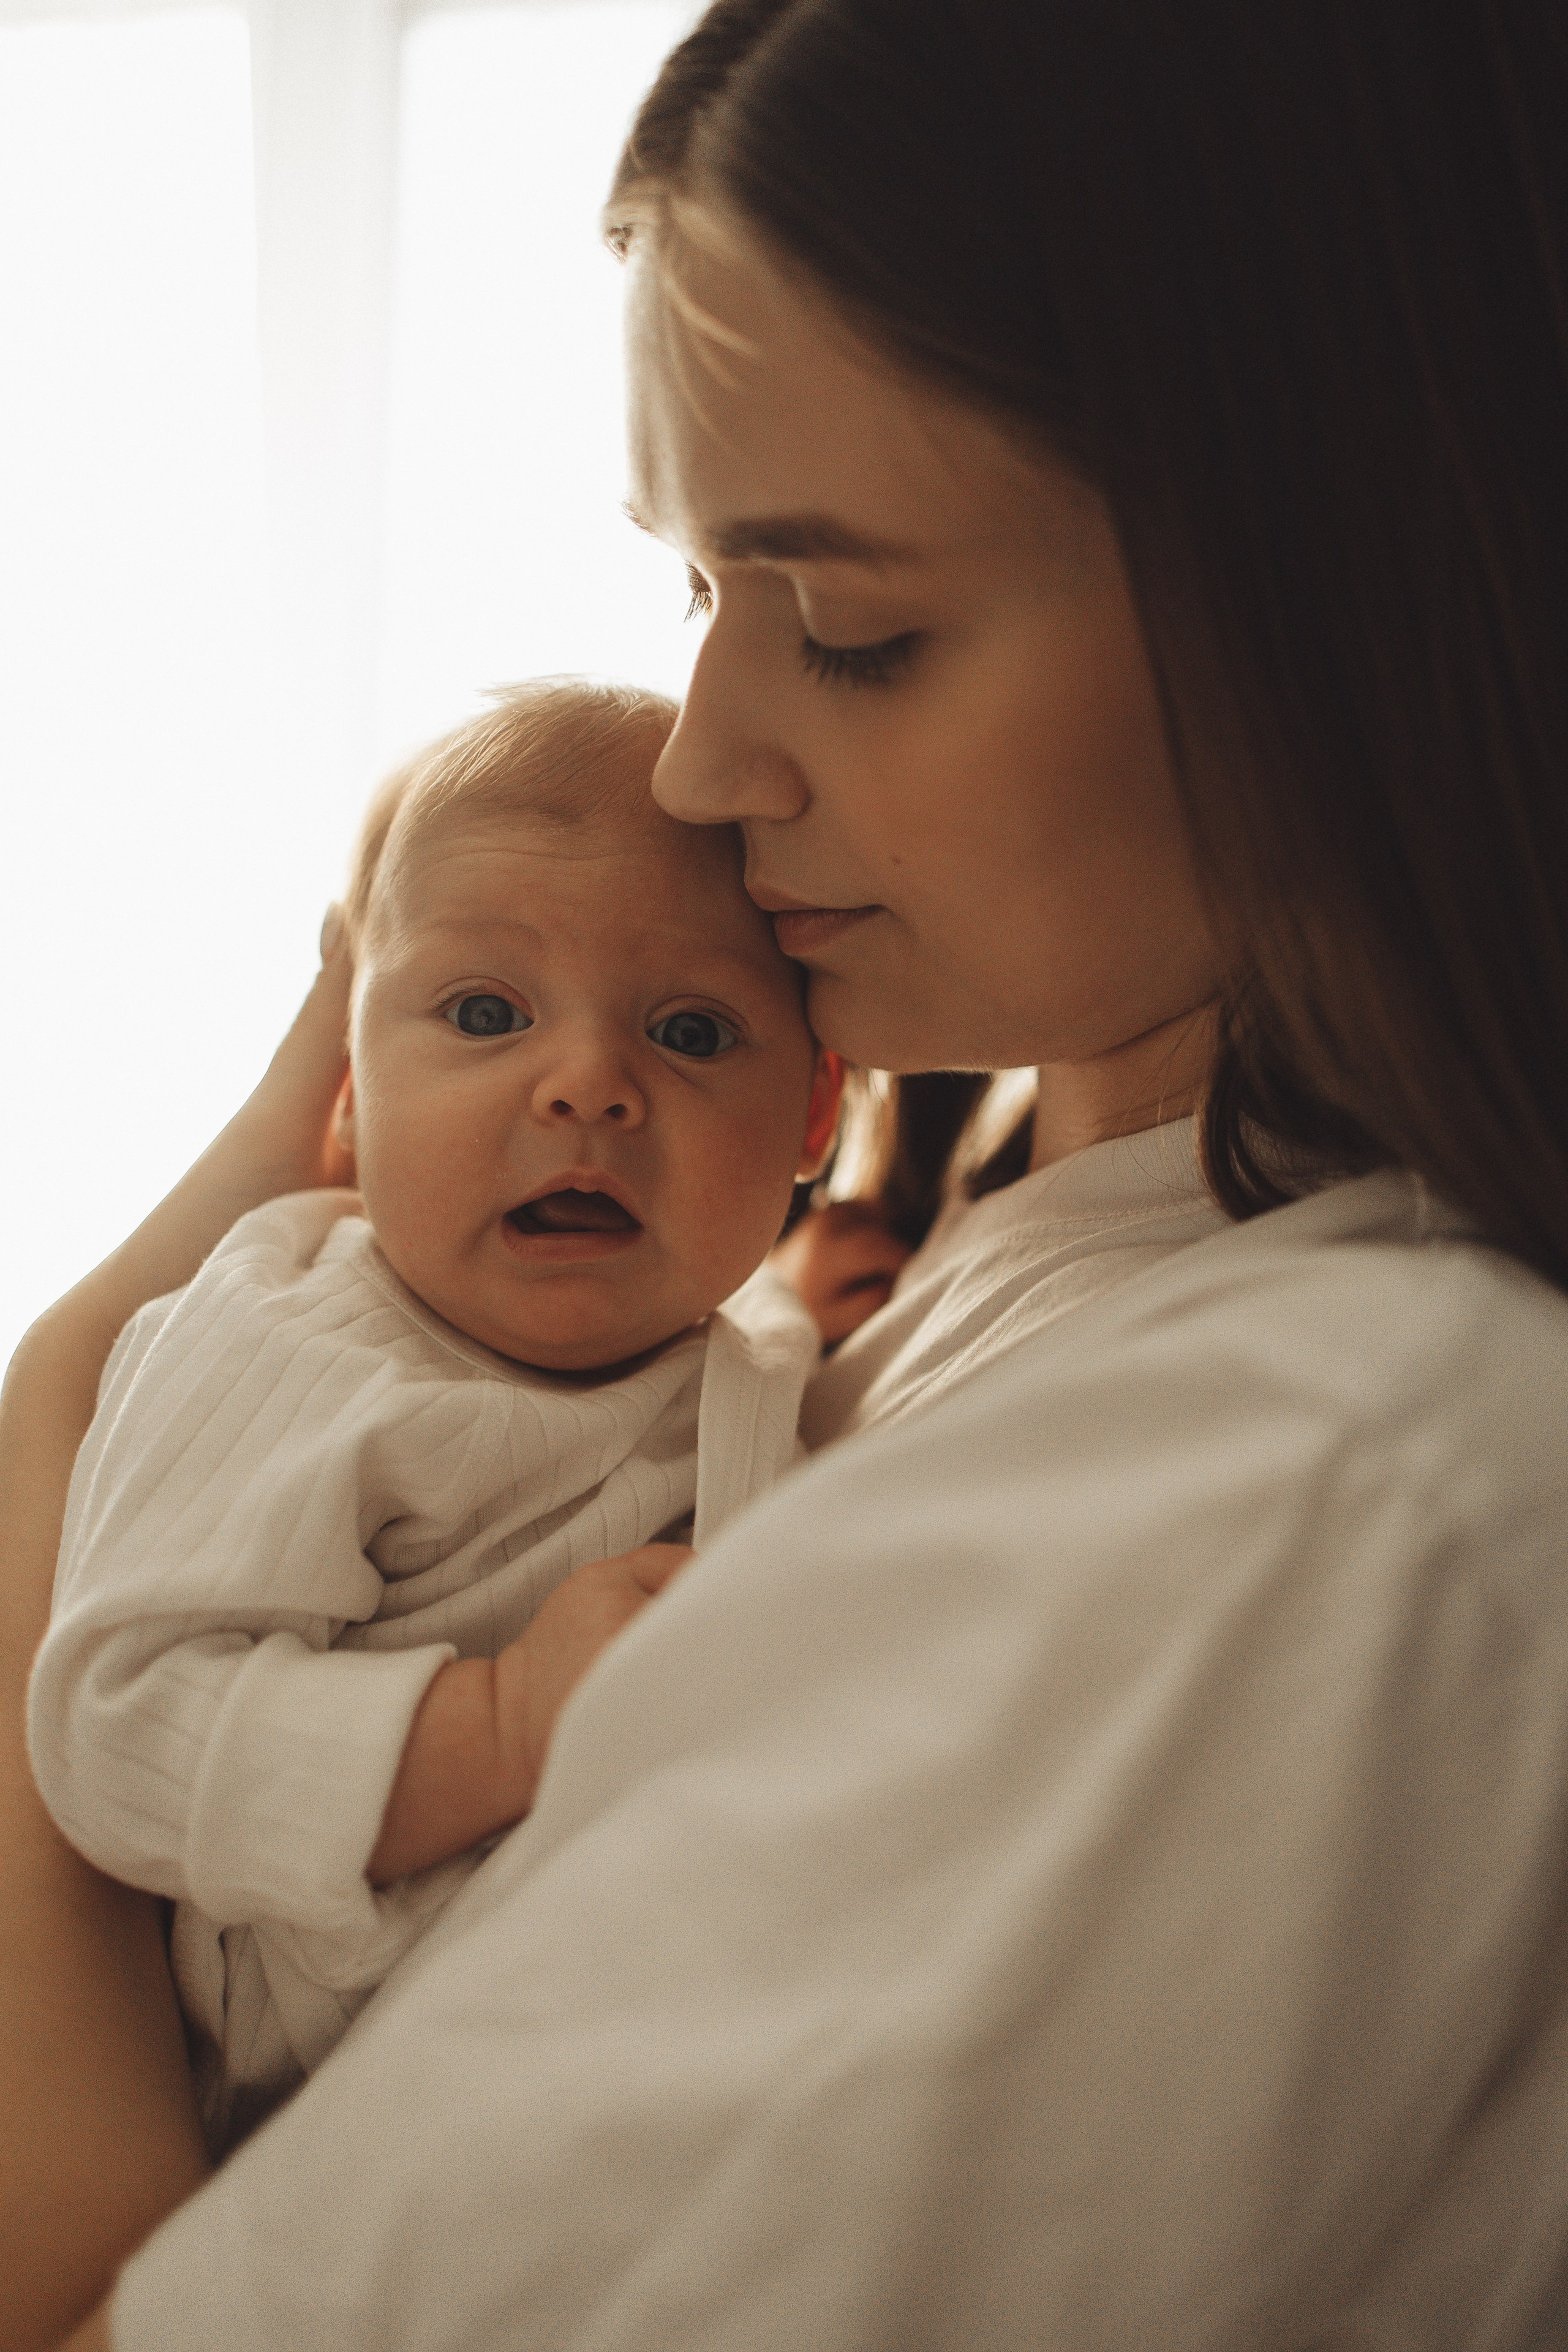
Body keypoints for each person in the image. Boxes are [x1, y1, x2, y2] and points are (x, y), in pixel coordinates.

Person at [6, 1, 1567, 2345]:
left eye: (851, 626)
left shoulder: (1303, 1489)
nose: (704, 762)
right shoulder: (1024, 1274)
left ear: (1337, 591)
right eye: (699, 592)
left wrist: (49, 1435)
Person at [24, 676, 854, 2156]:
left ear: (813, 1115)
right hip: (323, 2101)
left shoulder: (751, 1348)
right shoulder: (288, 1338)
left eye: (689, 1029)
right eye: (485, 1013)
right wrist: (499, 1723)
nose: (588, 1085)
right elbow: (119, 1724)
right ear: (350, 1095)